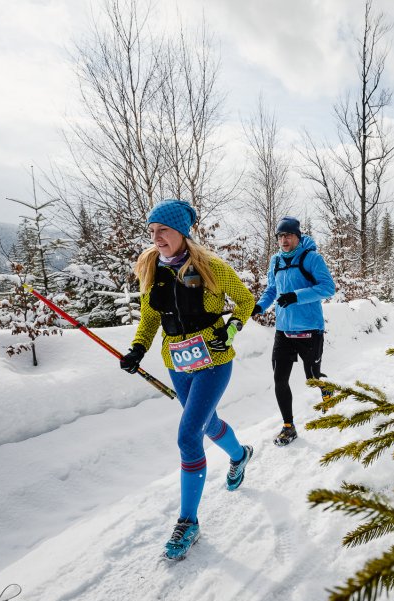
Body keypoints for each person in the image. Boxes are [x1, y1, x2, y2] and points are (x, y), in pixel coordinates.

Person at [119, 199, 256, 560]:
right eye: (152, 231)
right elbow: (149, 319)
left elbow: (245, 302)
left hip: (214, 361)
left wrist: (231, 330)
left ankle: (188, 521)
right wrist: (136, 349)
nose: (156, 237)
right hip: (177, 363)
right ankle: (240, 455)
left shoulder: (211, 267)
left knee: (187, 434)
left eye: (163, 230)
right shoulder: (152, 268)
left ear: (181, 231)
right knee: (207, 424)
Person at [254, 216, 336, 446]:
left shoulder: (312, 258)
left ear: (298, 237)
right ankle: (288, 426)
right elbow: (272, 289)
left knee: (312, 378)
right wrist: (259, 306)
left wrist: (297, 296)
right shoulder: (276, 261)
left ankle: (325, 387)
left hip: (310, 329)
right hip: (283, 331)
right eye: (280, 236)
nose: (284, 240)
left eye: (288, 235)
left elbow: (328, 288)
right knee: (280, 379)